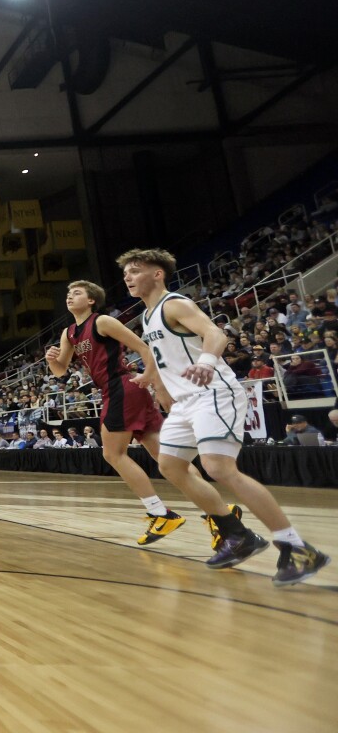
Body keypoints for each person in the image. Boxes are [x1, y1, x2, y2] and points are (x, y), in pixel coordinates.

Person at [123, 248, 329, 586]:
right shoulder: (147, 317)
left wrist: (205, 363)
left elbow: (215, 333)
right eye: (126, 273)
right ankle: (238, 534)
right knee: (170, 465)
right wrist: (154, 381)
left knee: (218, 468)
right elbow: (165, 358)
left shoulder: (175, 304)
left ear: (157, 273)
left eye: (134, 270)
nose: (128, 278)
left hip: (213, 392)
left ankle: (296, 546)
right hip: (186, 401)